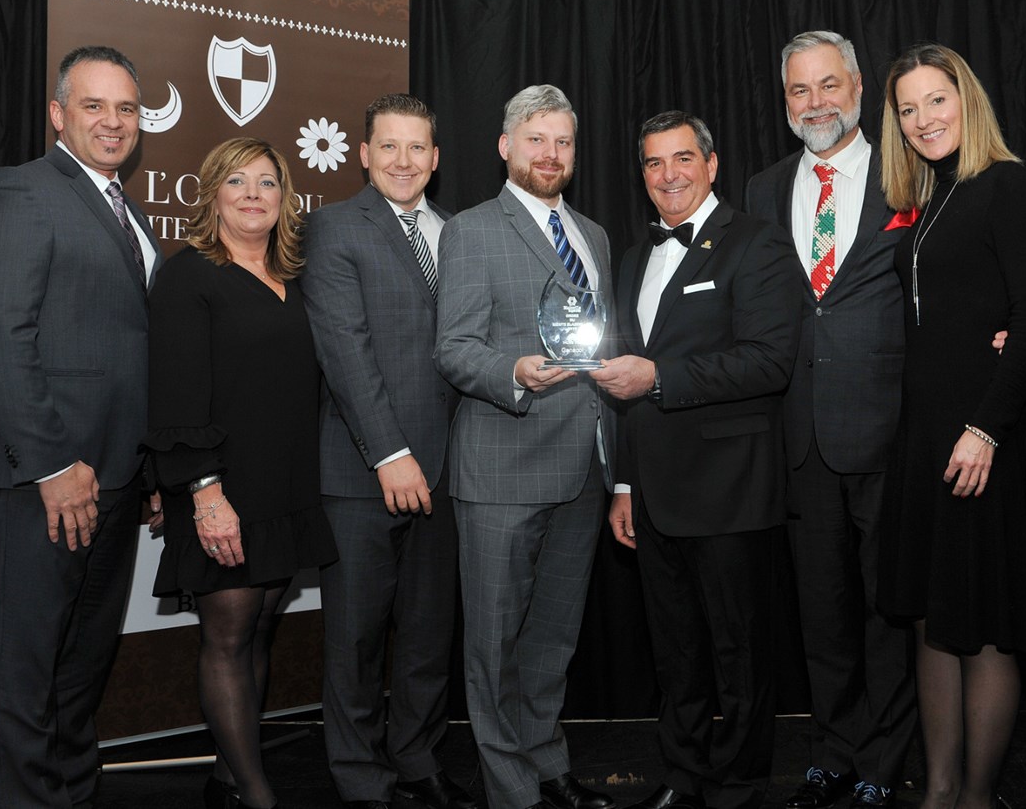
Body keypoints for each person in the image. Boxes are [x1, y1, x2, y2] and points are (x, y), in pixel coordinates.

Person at [0, 44, 161, 809]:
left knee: (82, 663)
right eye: (93, 105)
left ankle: (71, 793)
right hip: (49, 479)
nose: (113, 122)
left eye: (127, 108)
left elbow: (132, 349)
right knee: (27, 663)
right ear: (57, 114)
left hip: (118, 475)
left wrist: (149, 469)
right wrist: (51, 464)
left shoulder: (126, 209)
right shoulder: (19, 190)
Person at [594, 111, 804, 809]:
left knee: (738, 652)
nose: (669, 175)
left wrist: (660, 378)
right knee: (675, 650)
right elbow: (624, 381)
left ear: (711, 165)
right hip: (654, 491)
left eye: (682, 158)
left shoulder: (757, 242)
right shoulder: (634, 257)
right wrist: (625, 482)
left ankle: (738, 784)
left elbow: (769, 361)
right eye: (654, 163)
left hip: (730, 488)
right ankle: (682, 778)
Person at [743, 30, 917, 808]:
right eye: (797, 90)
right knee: (820, 611)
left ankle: (884, 760)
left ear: (857, 87)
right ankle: (834, 751)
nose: (814, 103)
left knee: (886, 609)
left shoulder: (909, 172)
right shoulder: (762, 189)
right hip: (798, 435)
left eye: (827, 85)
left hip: (887, 430)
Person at [433, 85, 616, 809]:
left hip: (582, 470)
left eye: (563, 142)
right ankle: (512, 792)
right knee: (494, 645)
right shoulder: (471, 230)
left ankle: (547, 766)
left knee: (553, 640)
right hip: (502, 469)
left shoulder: (593, 235)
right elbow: (454, 347)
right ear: (506, 146)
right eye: (536, 139)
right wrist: (512, 371)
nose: (550, 154)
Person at [876, 43, 1026, 809]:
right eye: (907, 109)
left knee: (981, 627)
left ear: (966, 99)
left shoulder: (1005, 185)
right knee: (931, 619)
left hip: (980, 441)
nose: (922, 119)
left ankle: (975, 798)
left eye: (935, 100)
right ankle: (937, 792)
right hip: (925, 441)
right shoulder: (934, 194)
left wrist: (985, 429)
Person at [145, 137, 338, 809]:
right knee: (227, 636)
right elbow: (175, 395)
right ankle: (257, 795)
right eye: (236, 181)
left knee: (259, 628)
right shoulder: (188, 276)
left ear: (285, 197)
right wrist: (205, 494)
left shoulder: (298, 277)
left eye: (266, 182)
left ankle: (228, 780)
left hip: (284, 483)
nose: (253, 194)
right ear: (212, 194)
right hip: (222, 487)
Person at [300, 95, 476, 809]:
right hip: (362, 471)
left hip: (449, 470)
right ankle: (359, 776)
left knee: (429, 635)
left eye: (417, 148)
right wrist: (389, 453)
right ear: (363, 154)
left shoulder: (458, 231)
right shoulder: (332, 228)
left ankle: (417, 759)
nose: (404, 161)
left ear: (435, 158)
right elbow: (345, 352)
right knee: (356, 638)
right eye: (389, 147)